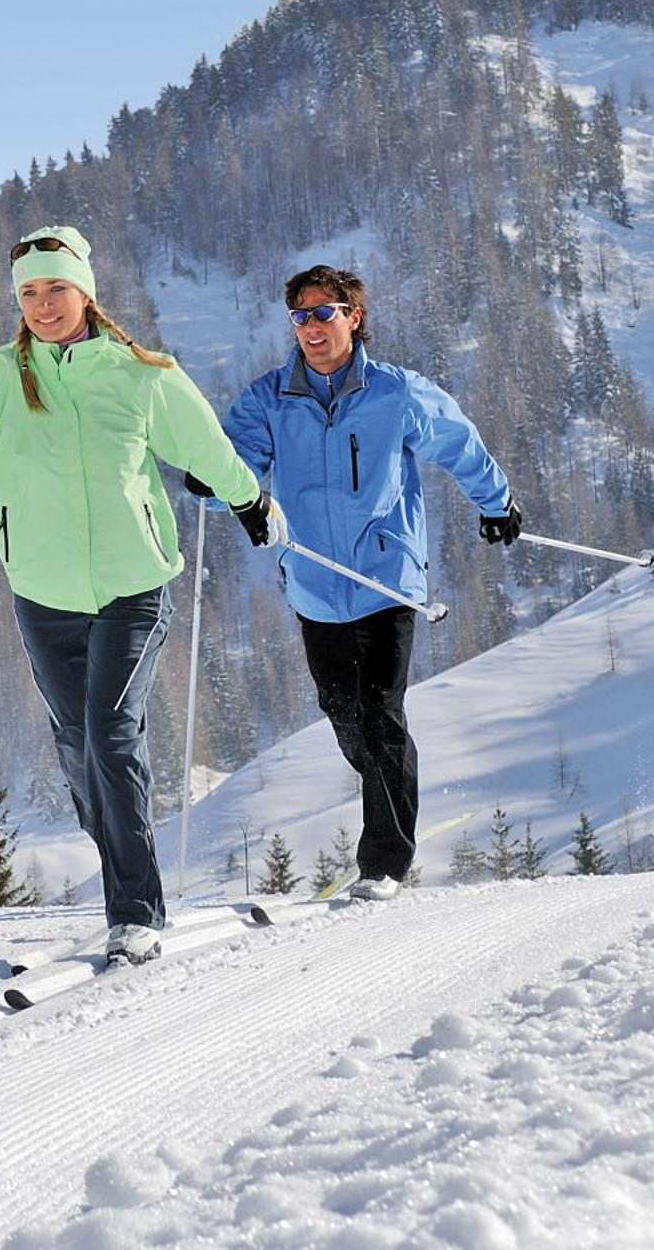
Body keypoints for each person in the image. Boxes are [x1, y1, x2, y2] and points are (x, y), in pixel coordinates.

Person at [0, 225, 283, 963]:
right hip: (42, 591)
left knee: (109, 733)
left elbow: (205, 449)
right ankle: (127, 859)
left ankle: (136, 910)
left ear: (85, 292)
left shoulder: (141, 374)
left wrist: (250, 502)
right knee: (76, 746)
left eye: (54, 289)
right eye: (28, 293)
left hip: (134, 585)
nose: (41, 304)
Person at [194, 264, 520, 902]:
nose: (311, 327)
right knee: (344, 716)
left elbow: (458, 442)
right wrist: (215, 486)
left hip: (386, 580)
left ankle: (384, 862)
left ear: (353, 316)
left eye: (324, 312)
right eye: (300, 315)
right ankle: (387, 799)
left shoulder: (395, 393)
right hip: (314, 583)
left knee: (380, 713)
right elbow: (233, 465)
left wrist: (496, 502)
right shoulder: (268, 399)